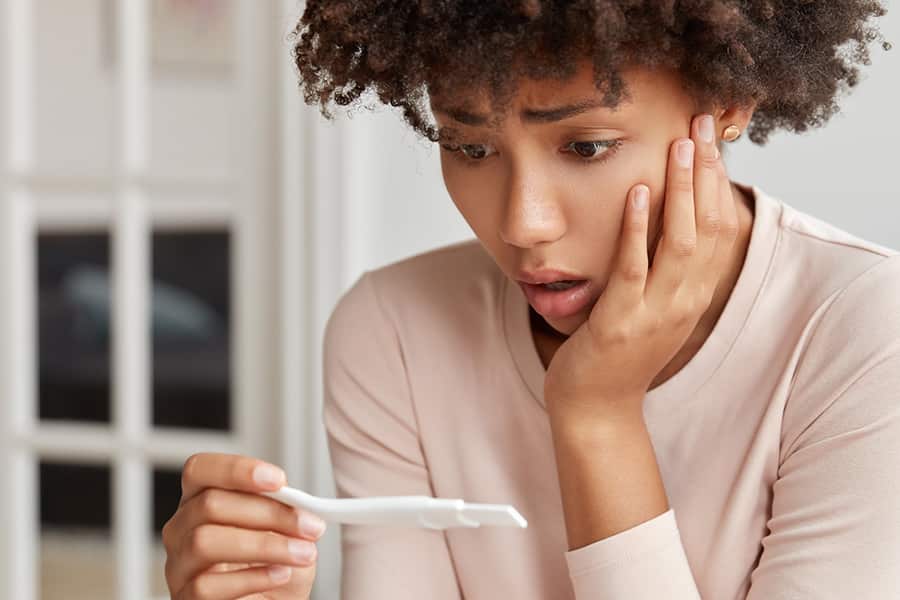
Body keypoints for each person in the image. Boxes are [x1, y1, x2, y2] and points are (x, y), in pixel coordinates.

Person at [162, 1, 899, 599]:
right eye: (471, 148)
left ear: (728, 104)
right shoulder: (393, 331)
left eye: (584, 148)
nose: (522, 224)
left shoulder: (862, 332)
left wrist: (598, 417)